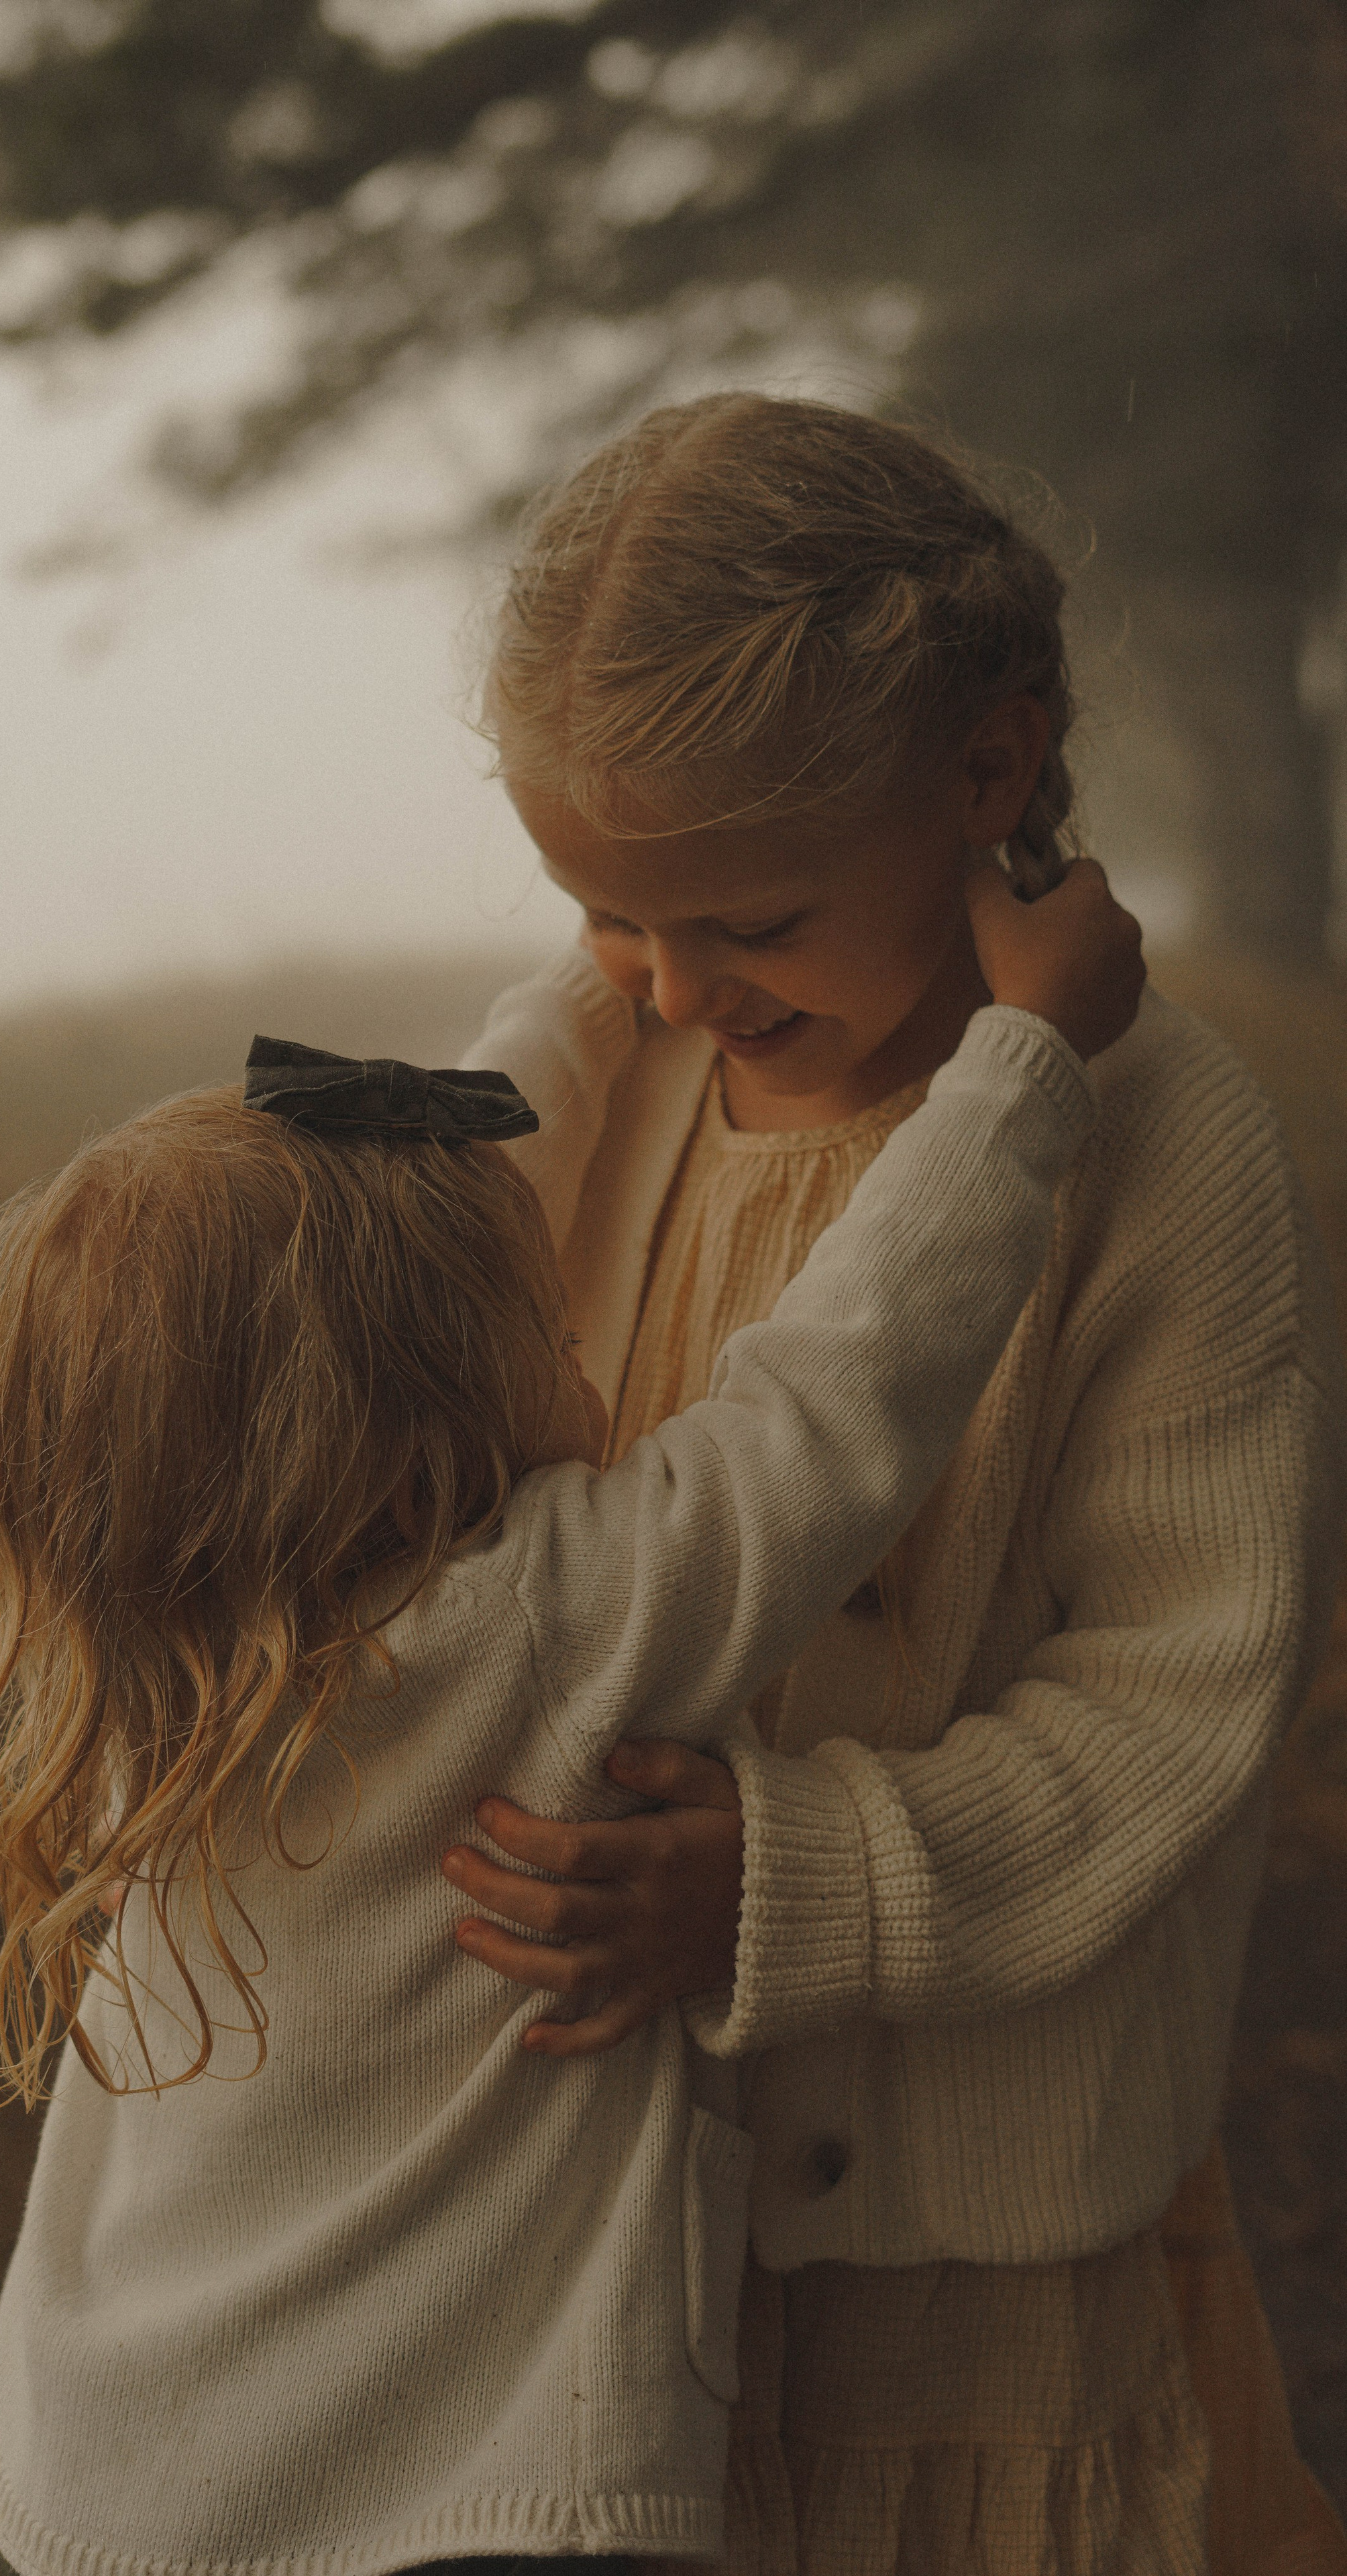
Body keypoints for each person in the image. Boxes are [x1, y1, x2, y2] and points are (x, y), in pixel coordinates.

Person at [0, 872, 1140, 2576]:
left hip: (63, 2480)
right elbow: (841, 1390)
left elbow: (405, 1221)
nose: (582, 1344)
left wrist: (582, 998)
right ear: (423, 1420)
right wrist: (1023, 1059)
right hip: (450, 2510)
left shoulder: (151, 1665)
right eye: (537, 1323)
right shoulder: (537, 1621)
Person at [445, 392, 1347, 2574]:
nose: (669, 987)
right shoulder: (617, 1081)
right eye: (601, 919)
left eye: (740, 916)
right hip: (626, 2232)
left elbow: (1173, 1715)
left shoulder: (1160, 1145)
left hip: (984, 2264)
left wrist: (783, 1874)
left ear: (987, 768)